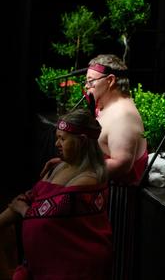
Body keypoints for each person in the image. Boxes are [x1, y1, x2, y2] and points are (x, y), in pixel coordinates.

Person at [1, 109, 112, 280]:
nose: (56, 144)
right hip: (45, 262)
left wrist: (23, 209)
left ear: (82, 141)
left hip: (73, 267)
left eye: (63, 139)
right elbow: (33, 196)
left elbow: (46, 219)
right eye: (57, 138)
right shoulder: (59, 166)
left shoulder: (89, 179)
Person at [86, 54, 147, 280]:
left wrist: (78, 168)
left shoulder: (123, 116)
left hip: (118, 202)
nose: (87, 86)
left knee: (114, 263)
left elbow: (122, 164)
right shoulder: (107, 107)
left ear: (110, 80)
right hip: (102, 196)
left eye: (91, 81)